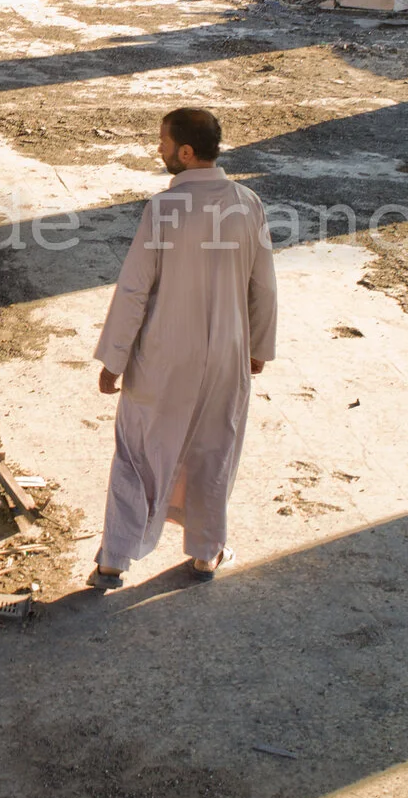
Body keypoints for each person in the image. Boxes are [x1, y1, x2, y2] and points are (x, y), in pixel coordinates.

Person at [91, 107, 277, 586]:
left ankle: (113, 558)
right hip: (226, 358)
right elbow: (264, 287)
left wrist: (114, 358)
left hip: (164, 357)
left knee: (136, 452)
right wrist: (257, 346)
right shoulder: (248, 203)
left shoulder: (164, 209)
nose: (159, 149)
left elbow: (135, 288)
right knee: (214, 451)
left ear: (186, 152)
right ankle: (205, 552)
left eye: (164, 142)